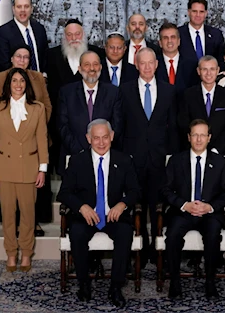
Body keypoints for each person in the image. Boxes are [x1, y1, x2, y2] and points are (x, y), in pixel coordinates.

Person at [57, 119, 140, 308]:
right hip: (86, 216)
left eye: (105, 137)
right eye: (96, 138)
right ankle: (84, 284)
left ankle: (116, 287)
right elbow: (64, 192)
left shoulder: (124, 160)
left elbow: (136, 191)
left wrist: (122, 204)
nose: (101, 143)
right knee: (77, 234)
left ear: (112, 137)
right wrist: (82, 207)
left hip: (114, 215)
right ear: (88, 139)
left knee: (125, 234)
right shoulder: (77, 161)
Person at [119, 47, 178, 267]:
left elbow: (173, 128)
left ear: (156, 64)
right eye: (142, 63)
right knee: (137, 206)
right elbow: (121, 126)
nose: (146, 67)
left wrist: (170, 157)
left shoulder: (169, 91)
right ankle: (140, 249)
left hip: (159, 160)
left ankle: (156, 248)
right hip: (133, 159)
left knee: (157, 207)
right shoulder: (124, 91)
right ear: (136, 64)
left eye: (150, 63)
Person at [162, 119, 225, 299]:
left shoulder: (220, 162)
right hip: (183, 211)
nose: (199, 139)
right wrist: (184, 204)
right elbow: (165, 189)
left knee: (212, 234)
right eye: (195, 135)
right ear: (189, 137)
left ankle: (211, 282)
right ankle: (175, 283)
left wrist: (210, 206)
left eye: (203, 135)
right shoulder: (176, 161)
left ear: (209, 138)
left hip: (209, 213)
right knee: (172, 235)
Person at [0, 67, 48, 272]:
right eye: (14, 81)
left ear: (26, 84)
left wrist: (43, 169)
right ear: (8, 84)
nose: (18, 84)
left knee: (28, 215)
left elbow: (42, 140)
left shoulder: (38, 108)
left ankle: (27, 253)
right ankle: (11, 253)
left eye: (22, 81)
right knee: (8, 214)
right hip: (4, 168)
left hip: (29, 168)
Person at [0, 44, 52, 234]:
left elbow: (47, 105)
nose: (22, 60)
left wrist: (34, 124)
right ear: (12, 59)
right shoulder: (0, 78)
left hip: (33, 139)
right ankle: (10, 223)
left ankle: (33, 223)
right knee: (9, 193)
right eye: (19, 56)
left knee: (32, 190)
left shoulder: (38, 78)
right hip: (8, 143)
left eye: (26, 57)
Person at [57, 51, 123, 174]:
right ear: (79, 68)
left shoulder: (113, 92)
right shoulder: (66, 92)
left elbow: (117, 125)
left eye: (95, 64)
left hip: (105, 156)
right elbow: (62, 125)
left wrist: (100, 147)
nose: (92, 68)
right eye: (87, 64)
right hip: (74, 155)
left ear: (101, 67)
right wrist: (80, 150)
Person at [179, 55, 225, 155]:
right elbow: (183, 125)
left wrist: (216, 150)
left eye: (212, 69)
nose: (208, 73)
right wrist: (197, 148)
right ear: (198, 71)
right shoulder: (188, 95)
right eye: (204, 69)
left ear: (218, 70)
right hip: (193, 152)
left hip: (221, 153)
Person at [0, 0, 48, 73]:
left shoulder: (39, 29)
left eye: (26, 6)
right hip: (17, 83)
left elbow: (45, 57)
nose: (23, 10)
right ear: (13, 9)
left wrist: (44, 76)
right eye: (19, 7)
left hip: (40, 81)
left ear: (31, 9)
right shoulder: (2, 32)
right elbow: (4, 64)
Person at [178, 0, 224, 65]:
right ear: (188, 12)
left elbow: (221, 61)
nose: (198, 15)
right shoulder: (178, 33)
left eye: (201, 12)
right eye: (194, 11)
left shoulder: (216, 34)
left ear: (206, 13)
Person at [156, 23, 199, 96]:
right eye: (165, 38)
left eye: (173, 37)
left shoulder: (192, 65)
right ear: (160, 43)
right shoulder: (153, 64)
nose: (169, 41)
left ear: (179, 41)